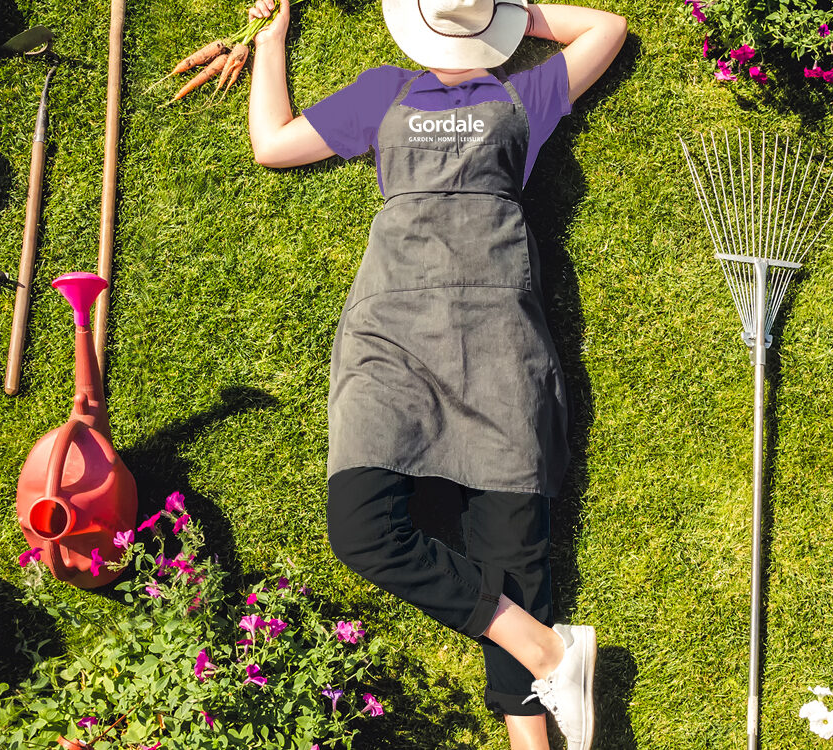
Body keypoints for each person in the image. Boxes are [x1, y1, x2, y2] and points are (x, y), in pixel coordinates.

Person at [246, 0, 626, 747]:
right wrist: (271, 41)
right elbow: (271, 143)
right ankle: (548, 649)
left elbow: (608, 29)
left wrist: (498, 12)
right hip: (394, 340)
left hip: (499, 342)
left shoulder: (524, 95)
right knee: (360, 530)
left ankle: (536, 713)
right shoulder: (384, 91)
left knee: (515, 558)